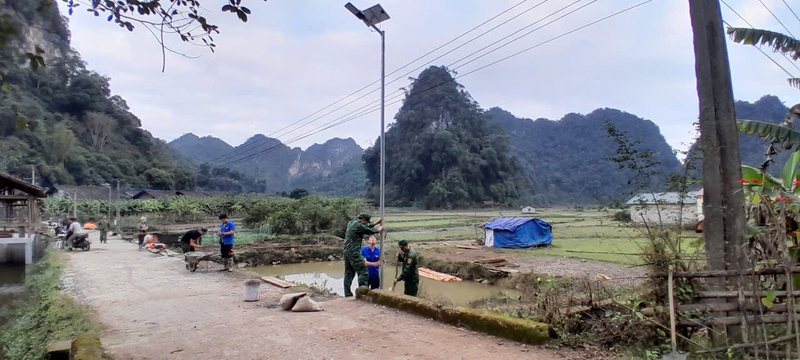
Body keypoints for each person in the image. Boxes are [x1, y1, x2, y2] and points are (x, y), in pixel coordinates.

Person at [342, 213, 383, 297]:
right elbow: (368, 230)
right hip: (354, 252)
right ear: (363, 219)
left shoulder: (352, 222)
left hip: (347, 252)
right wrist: (379, 229)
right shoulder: (358, 225)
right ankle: (362, 293)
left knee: (349, 273)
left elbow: (366, 225)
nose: (366, 223)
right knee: (363, 271)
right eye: (366, 221)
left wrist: (375, 223)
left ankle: (347, 293)